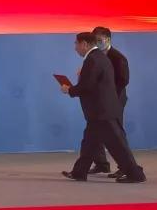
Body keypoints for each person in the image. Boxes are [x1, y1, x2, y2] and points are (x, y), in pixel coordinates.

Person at [61, 32, 146, 184]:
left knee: (117, 146)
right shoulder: (100, 57)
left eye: (76, 44)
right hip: (100, 111)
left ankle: (136, 174)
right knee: (89, 143)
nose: (75, 48)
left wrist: (69, 90)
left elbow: (87, 86)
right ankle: (79, 172)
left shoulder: (92, 60)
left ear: (84, 44)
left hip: (101, 112)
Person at [90, 26, 130, 177]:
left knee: (116, 134)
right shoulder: (95, 56)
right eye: (95, 41)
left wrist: (108, 92)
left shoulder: (118, 58)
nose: (97, 43)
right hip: (99, 100)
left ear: (108, 39)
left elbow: (123, 80)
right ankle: (101, 163)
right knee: (95, 131)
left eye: (99, 40)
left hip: (115, 100)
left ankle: (125, 167)